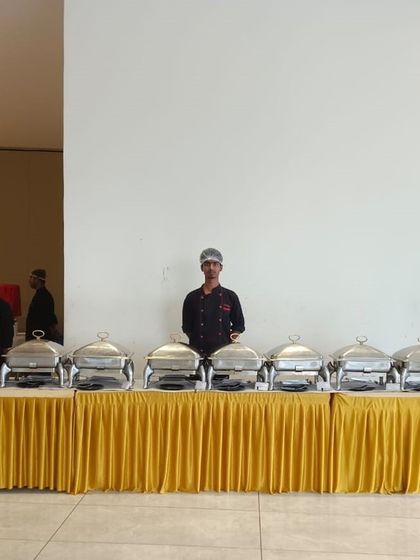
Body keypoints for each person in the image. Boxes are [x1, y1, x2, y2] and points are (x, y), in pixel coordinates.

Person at [182, 248, 245, 355]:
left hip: (222, 355)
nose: (211, 268)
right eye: (207, 264)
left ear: (221, 267)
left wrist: (228, 344)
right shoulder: (191, 297)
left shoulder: (230, 296)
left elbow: (239, 325)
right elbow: (187, 328)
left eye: (215, 264)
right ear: (202, 268)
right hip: (197, 354)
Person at [26, 269, 62, 343]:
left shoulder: (44, 296)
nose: (29, 280)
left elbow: (47, 318)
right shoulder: (40, 295)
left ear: (37, 279)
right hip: (37, 336)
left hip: (40, 337)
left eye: (31, 277)